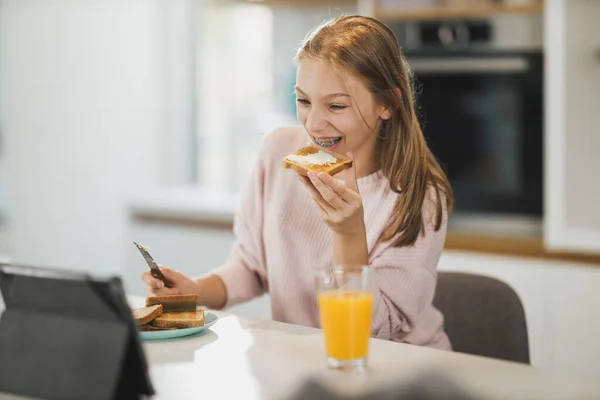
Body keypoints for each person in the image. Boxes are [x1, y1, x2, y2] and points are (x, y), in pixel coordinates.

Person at [142, 15, 454, 349]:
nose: (314, 124)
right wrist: (195, 290)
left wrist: (349, 233)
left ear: (387, 103)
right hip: (306, 363)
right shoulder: (277, 151)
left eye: (336, 105)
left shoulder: (418, 193)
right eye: (303, 101)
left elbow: (371, 331)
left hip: (400, 369)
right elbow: (252, 266)